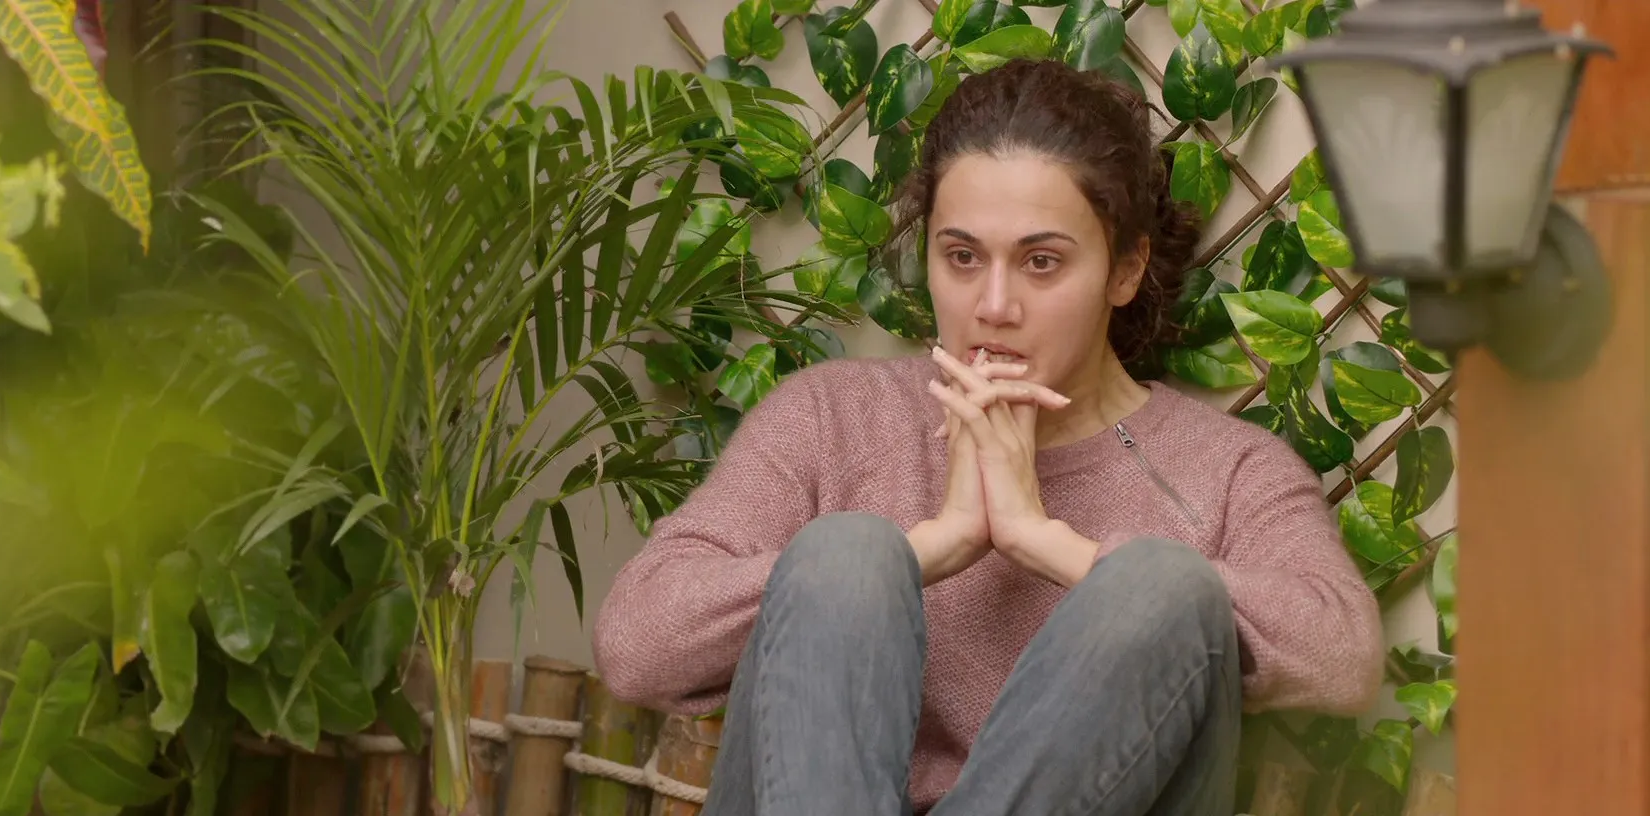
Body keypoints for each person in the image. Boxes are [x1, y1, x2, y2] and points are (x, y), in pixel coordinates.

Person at [592, 58, 1383, 816]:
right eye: (963, 256)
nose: (993, 305)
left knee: (1162, 586)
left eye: (1041, 262)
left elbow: (1343, 657)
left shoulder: (1229, 470)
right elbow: (636, 643)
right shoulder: (832, 418)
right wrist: (930, 548)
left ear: (1124, 270)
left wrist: (1047, 541)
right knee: (847, 557)